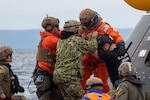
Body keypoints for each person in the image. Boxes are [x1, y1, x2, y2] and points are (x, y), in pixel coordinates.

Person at [79, 8, 126, 93]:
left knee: (101, 83)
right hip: (88, 60)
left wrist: (121, 44)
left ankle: (104, 97)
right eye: (84, 24)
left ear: (94, 19)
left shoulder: (104, 27)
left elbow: (116, 36)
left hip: (101, 59)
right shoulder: (83, 30)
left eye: (88, 23)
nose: (86, 25)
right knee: (83, 83)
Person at [53, 20, 99, 100]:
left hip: (59, 76)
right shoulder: (75, 40)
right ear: (75, 29)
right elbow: (92, 47)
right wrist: (93, 38)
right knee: (81, 97)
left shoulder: (61, 41)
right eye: (80, 27)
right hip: (70, 77)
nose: (82, 28)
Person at [32, 16, 63, 100]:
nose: (58, 29)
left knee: (57, 96)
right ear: (50, 28)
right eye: (56, 27)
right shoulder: (49, 40)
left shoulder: (49, 37)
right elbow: (66, 44)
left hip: (50, 73)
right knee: (45, 96)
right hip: (44, 74)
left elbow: (61, 33)